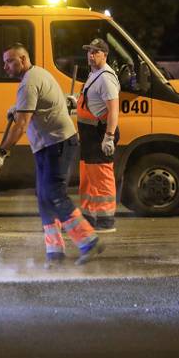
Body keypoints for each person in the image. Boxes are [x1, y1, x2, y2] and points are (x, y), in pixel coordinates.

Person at [0, 43, 104, 265]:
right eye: (4, 62)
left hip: (57, 144)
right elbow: (37, 106)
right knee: (43, 198)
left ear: (22, 60)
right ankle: (55, 253)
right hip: (47, 146)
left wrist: (1, 152)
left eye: (9, 61)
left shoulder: (28, 83)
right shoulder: (36, 75)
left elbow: (21, 125)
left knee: (54, 193)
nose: (5, 66)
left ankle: (89, 240)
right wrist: (17, 107)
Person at [77, 38, 120, 232]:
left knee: (102, 178)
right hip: (89, 136)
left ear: (105, 54)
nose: (91, 55)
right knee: (88, 178)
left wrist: (109, 136)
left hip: (99, 134)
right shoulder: (94, 74)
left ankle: (105, 220)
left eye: (95, 52)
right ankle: (88, 217)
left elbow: (113, 111)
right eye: (89, 51)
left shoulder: (106, 77)